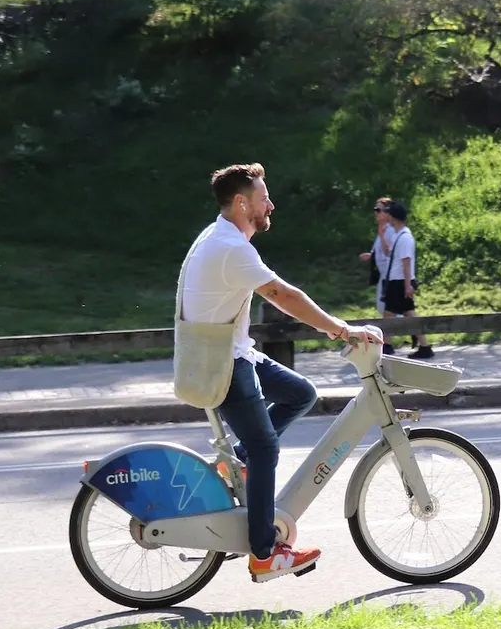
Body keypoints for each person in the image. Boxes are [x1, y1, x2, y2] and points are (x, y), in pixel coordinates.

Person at [181, 162, 384, 583]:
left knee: (300, 393)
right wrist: (341, 329)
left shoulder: (222, 236)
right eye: (262, 198)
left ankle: (234, 465)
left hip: (232, 354)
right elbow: (283, 296)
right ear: (241, 203)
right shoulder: (231, 248)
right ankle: (263, 553)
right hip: (222, 364)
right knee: (266, 449)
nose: (270, 204)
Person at [377, 200, 433, 359]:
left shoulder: (405, 237)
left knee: (389, 314)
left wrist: (407, 285)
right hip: (398, 281)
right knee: (409, 314)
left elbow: (407, 262)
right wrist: (382, 235)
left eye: (388, 214)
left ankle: (386, 345)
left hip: (400, 282)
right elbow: (390, 253)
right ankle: (424, 346)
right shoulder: (398, 235)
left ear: (393, 218)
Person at [358, 198, 399, 321]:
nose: (376, 212)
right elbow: (379, 250)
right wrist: (370, 255)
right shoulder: (383, 229)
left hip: (390, 275)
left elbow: (390, 252)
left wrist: (381, 235)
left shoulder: (391, 230)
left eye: (378, 210)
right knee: (386, 310)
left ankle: (388, 338)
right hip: (384, 275)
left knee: (388, 311)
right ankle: (415, 334)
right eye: (375, 210)